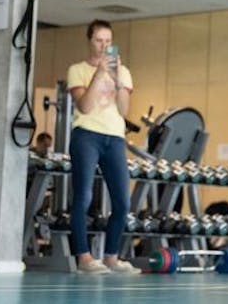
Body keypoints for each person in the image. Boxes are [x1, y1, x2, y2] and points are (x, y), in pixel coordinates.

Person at [66, 19, 139, 275]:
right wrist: (99, 74)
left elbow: (123, 110)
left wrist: (118, 80)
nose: (104, 46)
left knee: (122, 201)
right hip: (87, 135)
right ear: (90, 41)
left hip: (114, 138)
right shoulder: (77, 70)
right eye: (99, 40)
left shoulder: (124, 72)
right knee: (83, 197)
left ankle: (111, 257)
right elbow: (84, 106)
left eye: (108, 41)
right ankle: (84, 258)